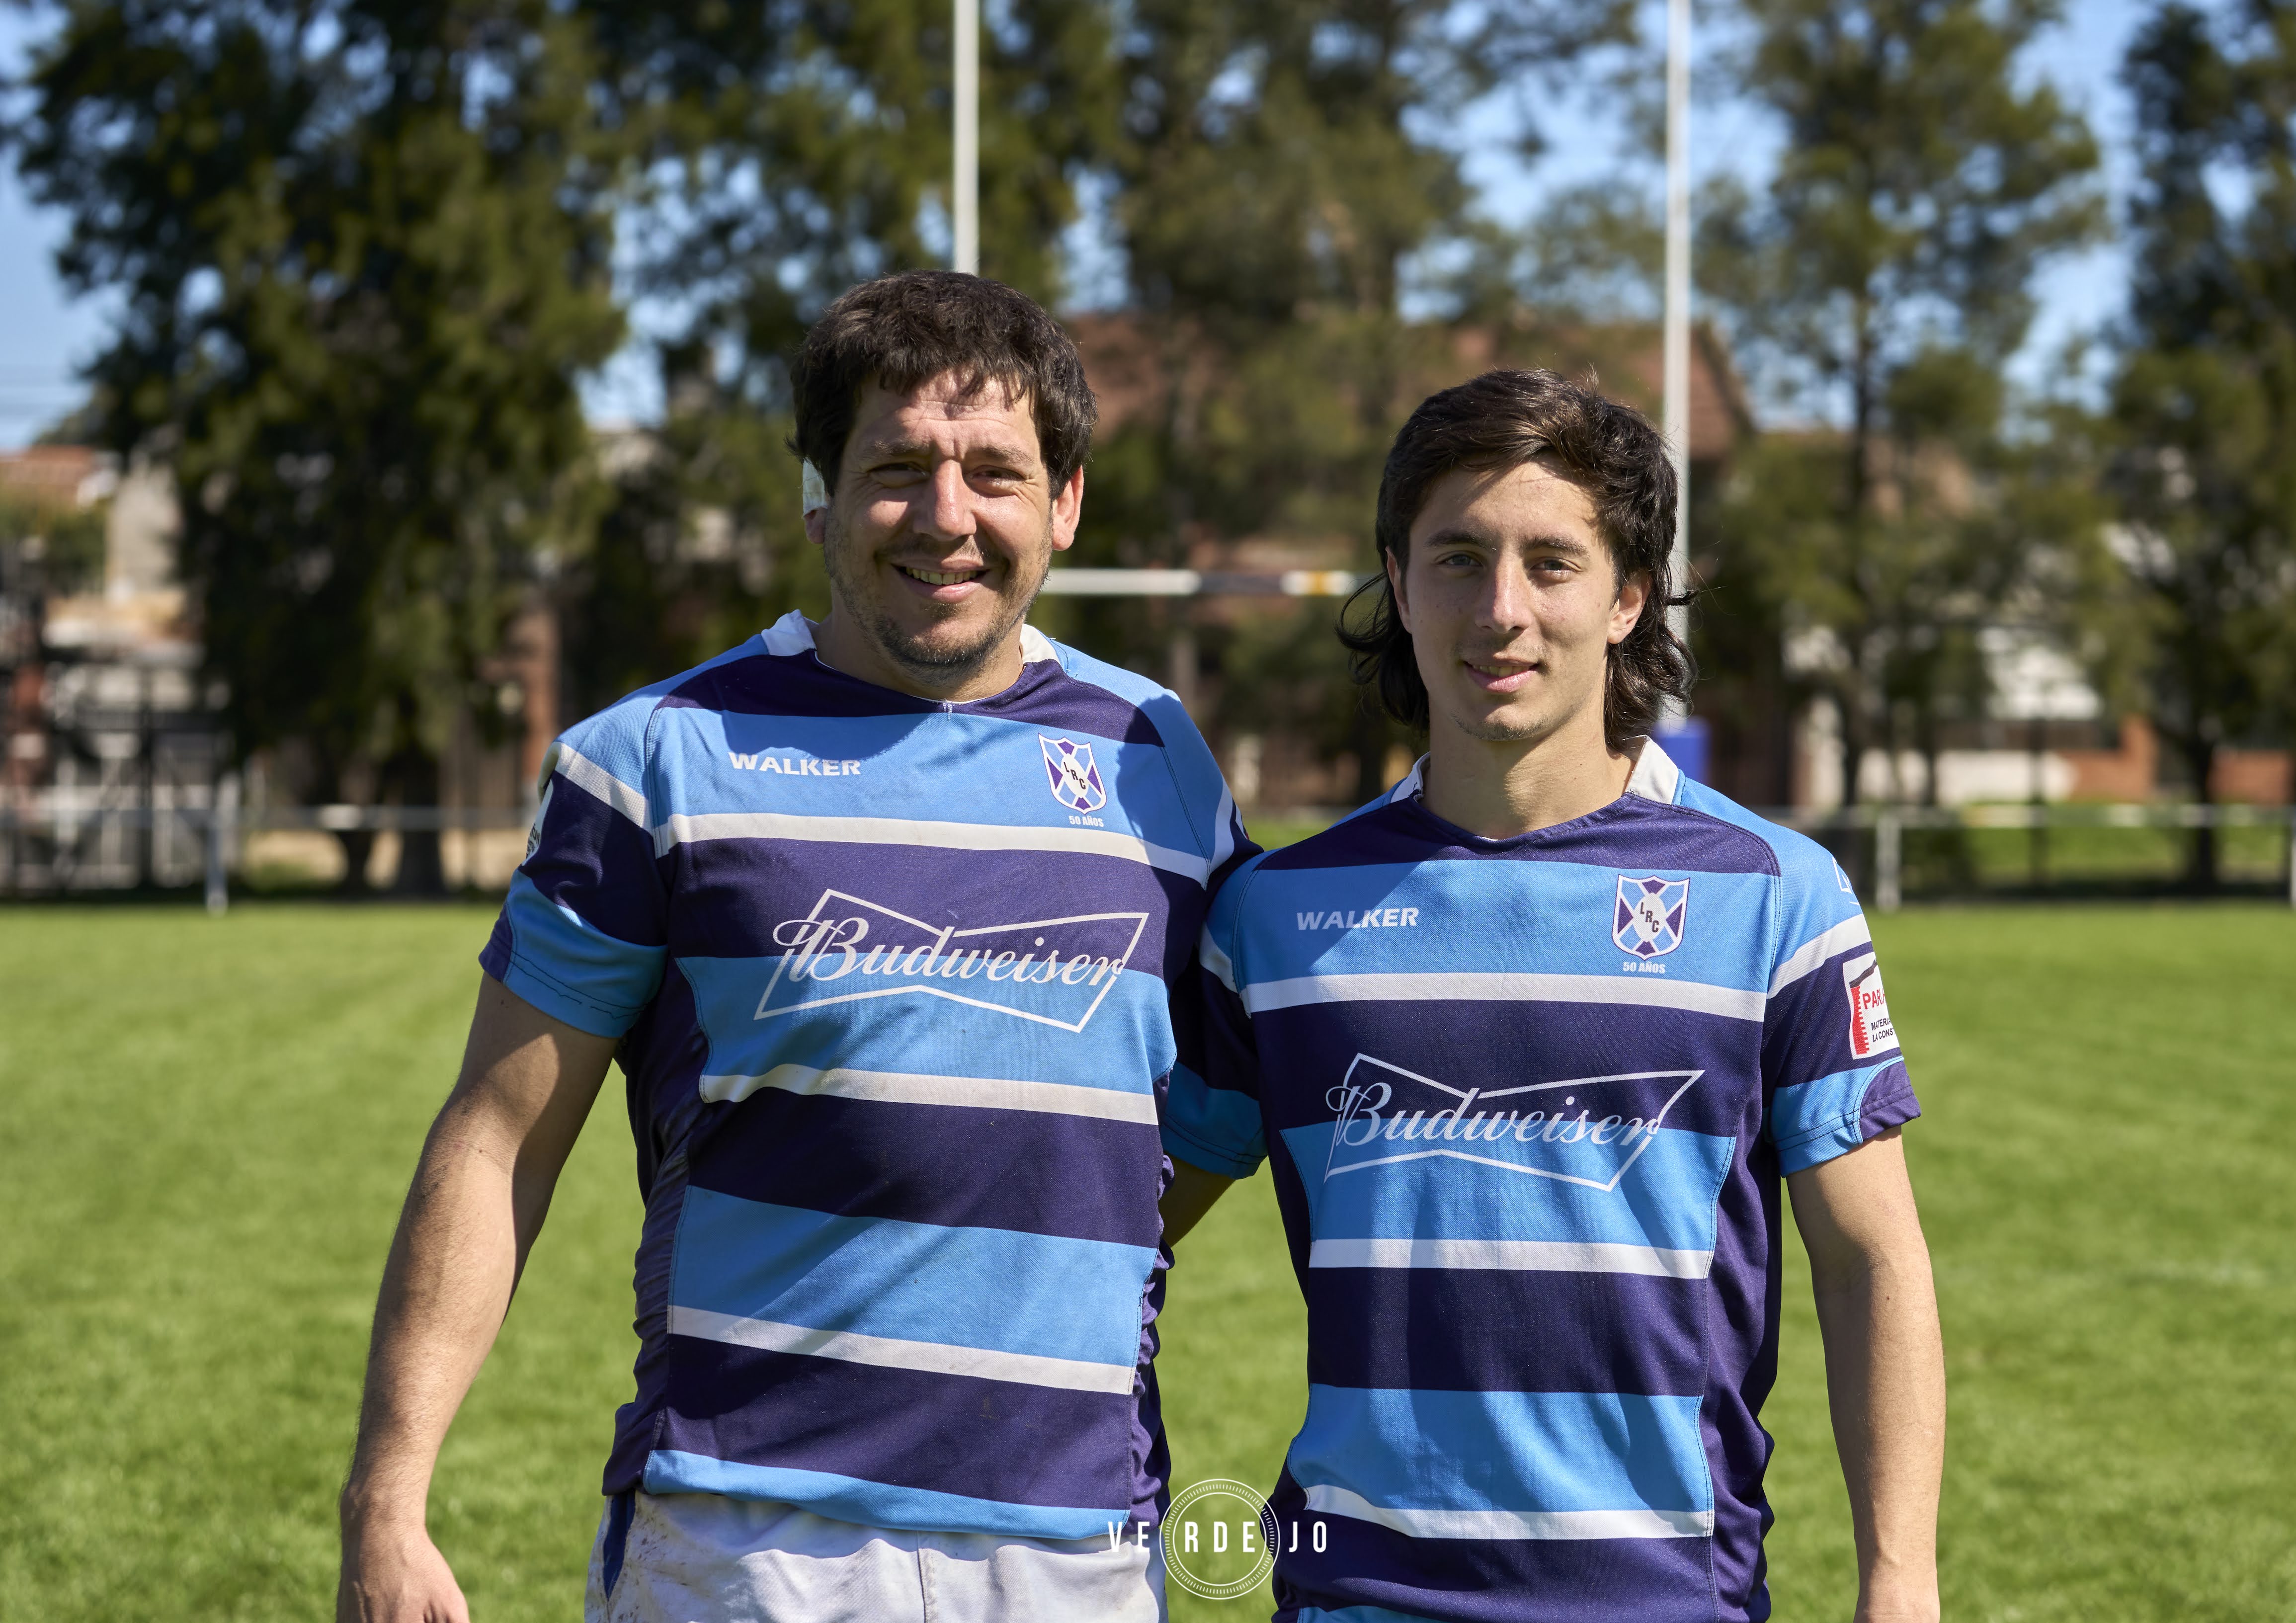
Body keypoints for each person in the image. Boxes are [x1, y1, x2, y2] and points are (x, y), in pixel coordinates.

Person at [337, 270, 1249, 1623]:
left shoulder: (1156, 761)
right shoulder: (652, 761)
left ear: (1065, 503)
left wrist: (1048, 1243)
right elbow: (498, 1139)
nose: (946, 516)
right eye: (897, 469)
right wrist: (387, 1498)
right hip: (747, 1538)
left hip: (1076, 1544)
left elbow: (1223, 1105)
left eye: (995, 473)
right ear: (820, 497)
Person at [1161, 370, 1944, 1623]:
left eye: (1552, 563)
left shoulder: (1775, 896)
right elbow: (1111, 1225)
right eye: (1457, 559)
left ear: (1629, 595)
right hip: (1356, 1598)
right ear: (1398, 583)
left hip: (1662, 1598)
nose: (1501, 611)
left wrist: (1898, 1583)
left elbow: (1867, 1261)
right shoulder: (1276, 915)